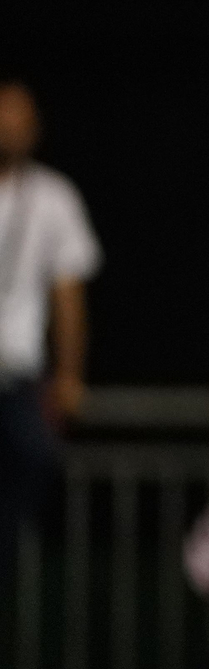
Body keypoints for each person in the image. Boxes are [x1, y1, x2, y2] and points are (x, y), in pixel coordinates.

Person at [0, 80, 97, 593]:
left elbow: (68, 295)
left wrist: (69, 374)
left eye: (19, 116)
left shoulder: (53, 197)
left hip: (18, 374)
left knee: (37, 459)